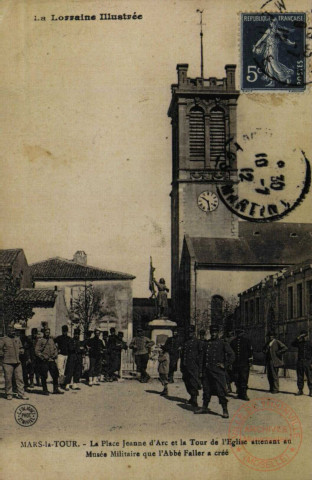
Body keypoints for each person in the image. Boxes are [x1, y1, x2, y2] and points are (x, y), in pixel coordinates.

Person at [195, 325, 235, 418]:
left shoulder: (222, 343)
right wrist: (201, 371)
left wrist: (224, 365)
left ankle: (225, 410)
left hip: (218, 372)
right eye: (212, 332)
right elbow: (202, 358)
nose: (213, 334)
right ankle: (204, 407)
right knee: (206, 390)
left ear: (218, 333)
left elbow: (232, 355)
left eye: (215, 332)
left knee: (220, 391)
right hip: (207, 372)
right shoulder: (206, 344)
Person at [252, 17, 296, 87]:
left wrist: (292, 43)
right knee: (269, 65)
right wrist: (256, 46)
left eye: (274, 22)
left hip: (273, 50)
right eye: (272, 22)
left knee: (274, 64)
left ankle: (287, 77)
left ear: (276, 23)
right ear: (270, 23)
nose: (272, 23)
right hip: (268, 49)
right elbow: (262, 39)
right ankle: (272, 82)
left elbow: (285, 40)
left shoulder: (278, 31)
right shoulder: (269, 30)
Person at [0, 325, 29, 400]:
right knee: (8, 379)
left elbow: (21, 347)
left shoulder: (17, 339)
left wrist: (22, 350)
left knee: (20, 378)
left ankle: (21, 394)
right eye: (10, 330)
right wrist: (2, 354)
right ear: (7, 331)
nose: (12, 331)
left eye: (13, 330)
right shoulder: (4, 339)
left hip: (17, 362)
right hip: (7, 362)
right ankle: (9, 393)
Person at [35, 327, 64, 395]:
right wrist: (42, 356)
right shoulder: (40, 341)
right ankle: (45, 390)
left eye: (48, 332)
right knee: (44, 375)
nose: (47, 333)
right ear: (44, 333)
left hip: (51, 360)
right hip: (44, 361)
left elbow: (55, 349)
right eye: (46, 332)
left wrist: (55, 354)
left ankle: (55, 389)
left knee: (55, 374)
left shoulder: (51, 340)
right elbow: (36, 351)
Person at [180, 325, 202, 407]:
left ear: (194, 333)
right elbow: (183, 355)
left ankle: (195, 399)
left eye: (191, 332)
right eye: (188, 332)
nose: (190, 334)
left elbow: (201, 355)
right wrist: (182, 365)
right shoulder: (185, 342)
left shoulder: (198, 342)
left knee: (193, 382)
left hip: (194, 366)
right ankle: (192, 397)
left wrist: (199, 367)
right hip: (185, 366)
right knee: (187, 381)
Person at [230, 329, 253, 401]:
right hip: (235, 363)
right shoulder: (233, 342)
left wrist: (250, 360)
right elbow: (230, 353)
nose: (239, 334)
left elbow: (250, 351)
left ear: (243, 333)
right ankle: (239, 392)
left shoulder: (247, 341)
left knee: (244, 378)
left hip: (244, 363)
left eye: (240, 333)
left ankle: (244, 394)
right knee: (236, 378)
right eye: (238, 333)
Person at [291, 330, 312, 396]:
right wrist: (298, 337)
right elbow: (292, 344)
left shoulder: (310, 343)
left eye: (305, 336)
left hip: (308, 362)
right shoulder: (299, 343)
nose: (304, 337)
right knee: (300, 376)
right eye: (303, 336)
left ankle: (311, 391)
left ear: (308, 336)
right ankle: (300, 390)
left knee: (310, 377)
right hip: (300, 361)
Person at [54, 325, 71, 389]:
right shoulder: (59, 338)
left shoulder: (69, 338)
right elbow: (53, 343)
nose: (64, 332)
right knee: (60, 368)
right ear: (62, 331)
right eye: (63, 331)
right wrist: (56, 349)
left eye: (66, 331)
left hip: (67, 355)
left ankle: (64, 382)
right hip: (60, 355)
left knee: (66, 369)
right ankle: (61, 382)